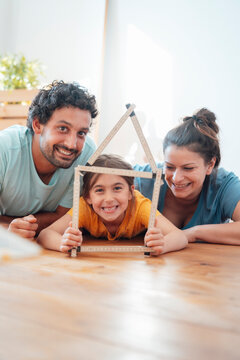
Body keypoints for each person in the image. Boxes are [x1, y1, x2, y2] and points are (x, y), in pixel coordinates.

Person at [0, 80, 98, 239]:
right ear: (37, 125)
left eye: (81, 133)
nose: (72, 144)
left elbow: (65, 216)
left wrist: (13, 224)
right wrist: (7, 229)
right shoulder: (5, 148)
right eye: (63, 129)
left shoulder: (87, 154)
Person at [37, 154, 187, 255]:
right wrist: (63, 243)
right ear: (88, 196)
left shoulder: (140, 205)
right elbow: (45, 234)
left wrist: (162, 245)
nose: (108, 199)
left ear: (130, 192)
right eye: (100, 190)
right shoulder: (84, 208)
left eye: (117, 188)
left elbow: (180, 236)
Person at [134, 108, 240, 245]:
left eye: (188, 168)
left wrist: (194, 233)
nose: (176, 178)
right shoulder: (145, 178)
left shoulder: (224, 185)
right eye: (169, 167)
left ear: (210, 165)